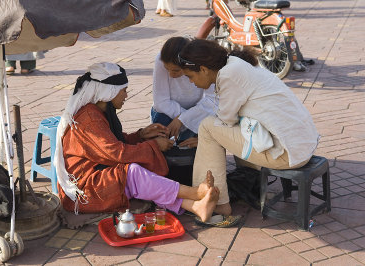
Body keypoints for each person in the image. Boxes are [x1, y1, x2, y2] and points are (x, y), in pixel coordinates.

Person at [53, 62, 219, 223]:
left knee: (142, 174)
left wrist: (141, 135)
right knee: (133, 172)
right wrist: (155, 145)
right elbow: (116, 153)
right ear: (108, 92)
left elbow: (111, 144)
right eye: (123, 90)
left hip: (95, 176)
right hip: (84, 189)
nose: (126, 95)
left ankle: (195, 206)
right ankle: (194, 193)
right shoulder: (90, 119)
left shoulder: (97, 112)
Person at [178, 39, 319, 218]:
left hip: (286, 154)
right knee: (222, 127)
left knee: (207, 128)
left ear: (204, 70)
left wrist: (203, 139)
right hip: (301, 146)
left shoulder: (229, 75)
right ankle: (248, 185)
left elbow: (226, 120)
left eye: (190, 76)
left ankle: (216, 203)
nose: (191, 82)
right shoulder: (236, 64)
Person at [152, 37, 217, 149]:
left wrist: (184, 118)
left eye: (176, 70)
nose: (171, 75)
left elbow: (212, 101)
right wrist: (182, 117)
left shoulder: (201, 63)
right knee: (163, 144)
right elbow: (161, 102)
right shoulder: (160, 59)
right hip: (166, 112)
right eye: (167, 69)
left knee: (196, 145)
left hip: (195, 111)